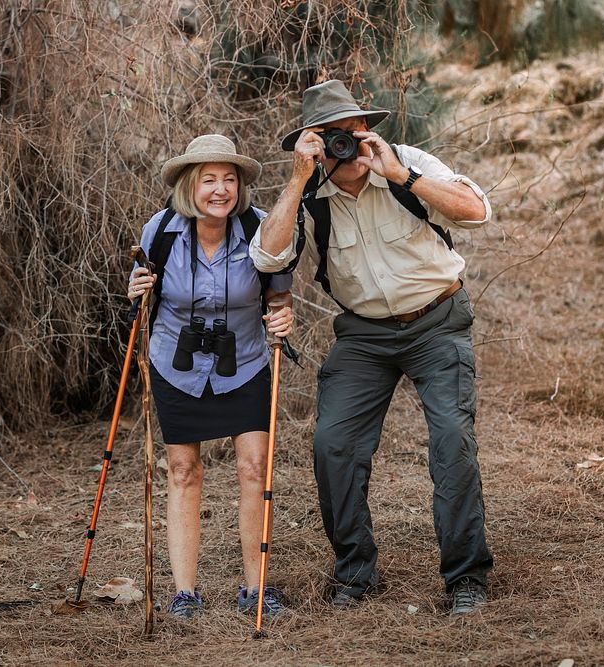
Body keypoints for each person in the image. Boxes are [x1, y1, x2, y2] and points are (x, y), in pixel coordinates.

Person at [248, 80, 494, 615]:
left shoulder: (406, 163)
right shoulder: (310, 194)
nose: (346, 147)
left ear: (367, 130)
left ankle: (466, 578)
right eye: (330, 138)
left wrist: (402, 175)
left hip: (437, 321)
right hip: (363, 334)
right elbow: (268, 259)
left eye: (352, 133)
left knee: (452, 438)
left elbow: (475, 211)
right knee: (332, 445)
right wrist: (296, 179)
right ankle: (355, 575)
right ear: (312, 144)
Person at [127, 134, 295, 619]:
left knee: (252, 470)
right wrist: (135, 288)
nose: (220, 190)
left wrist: (282, 318)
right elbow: (143, 293)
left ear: (240, 186)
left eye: (229, 179)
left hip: (243, 361)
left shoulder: (264, 229)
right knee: (183, 472)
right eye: (209, 180)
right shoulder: (158, 231)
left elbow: (279, 299)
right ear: (188, 186)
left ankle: (256, 588)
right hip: (175, 365)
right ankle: (184, 593)